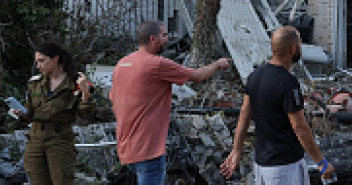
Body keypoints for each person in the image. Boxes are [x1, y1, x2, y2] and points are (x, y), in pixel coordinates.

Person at [110, 20, 231, 185]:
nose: (168, 39)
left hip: (126, 148)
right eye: (164, 35)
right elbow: (197, 76)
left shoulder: (121, 65)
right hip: (148, 149)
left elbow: (114, 101)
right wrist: (218, 64)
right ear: (153, 39)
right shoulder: (157, 64)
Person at [221, 27, 336, 183]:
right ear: (293, 49)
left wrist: (236, 150)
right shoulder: (288, 82)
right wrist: (321, 163)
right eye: (299, 45)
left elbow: (244, 115)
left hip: (262, 165)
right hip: (285, 167)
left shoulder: (254, 76)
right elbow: (299, 127)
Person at [12, 41, 95, 185]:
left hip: (60, 139)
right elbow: (29, 112)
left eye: (42, 61)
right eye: (36, 62)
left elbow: (86, 115)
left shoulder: (74, 83)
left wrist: (85, 94)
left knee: (61, 180)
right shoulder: (35, 84)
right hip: (36, 139)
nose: (38, 66)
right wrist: (21, 114)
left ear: (55, 59)